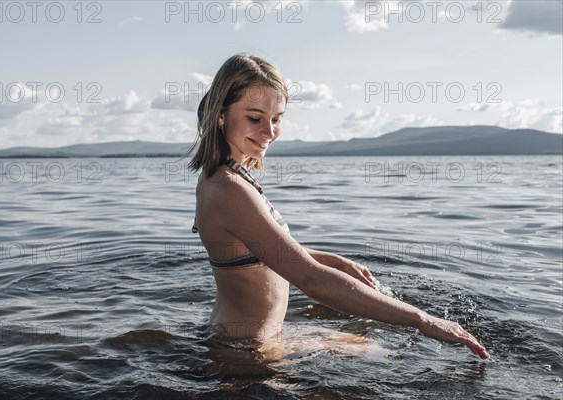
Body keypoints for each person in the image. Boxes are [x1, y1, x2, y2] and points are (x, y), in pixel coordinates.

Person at [188, 53, 490, 360]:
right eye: (255, 118)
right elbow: (310, 280)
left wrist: (332, 260)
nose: (269, 132)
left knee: (375, 352)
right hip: (245, 354)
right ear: (221, 114)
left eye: (276, 119)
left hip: (255, 339)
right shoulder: (229, 189)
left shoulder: (227, 177)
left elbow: (262, 254)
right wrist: (423, 320)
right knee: (388, 361)